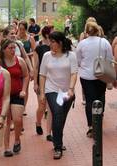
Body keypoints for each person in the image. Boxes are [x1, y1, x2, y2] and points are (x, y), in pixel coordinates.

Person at [39, 31, 78, 159]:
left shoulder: (71, 55)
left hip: (67, 91)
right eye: (49, 41)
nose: (50, 44)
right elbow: (42, 75)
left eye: (53, 42)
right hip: (52, 90)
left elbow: (74, 73)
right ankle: (58, 147)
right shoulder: (46, 56)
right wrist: (42, 93)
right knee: (57, 113)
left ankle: (57, 139)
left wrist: (71, 89)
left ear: (60, 43)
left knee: (60, 118)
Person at [76, 22, 113, 138]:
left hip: (86, 76)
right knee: (100, 97)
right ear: (98, 30)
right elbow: (110, 59)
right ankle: (99, 122)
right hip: (101, 75)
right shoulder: (105, 42)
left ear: (86, 31)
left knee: (89, 100)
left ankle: (91, 127)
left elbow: (78, 60)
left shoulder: (82, 44)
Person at [0, 39, 29, 157]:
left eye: (14, 48)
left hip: (17, 94)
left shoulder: (20, 61)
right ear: (4, 50)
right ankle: (6, 147)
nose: (13, 50)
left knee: (17, 119)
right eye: (10, 48)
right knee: (6, 122)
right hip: (4, 95)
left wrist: (23, 90)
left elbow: (26, 76)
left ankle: (17, 139)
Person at [33, 26, 52, 141]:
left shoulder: (56, 47)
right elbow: (36, 67)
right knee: (42, 105)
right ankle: (38, 122)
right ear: (46, 34)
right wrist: (35, 83)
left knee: (51, 108)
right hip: (41, 79)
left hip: (53, 80)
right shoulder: (39, 48)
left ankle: (49, 132)